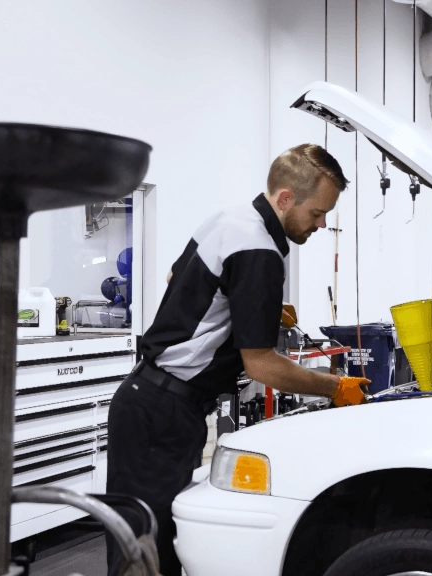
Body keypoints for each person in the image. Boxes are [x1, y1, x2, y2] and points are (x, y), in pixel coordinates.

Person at [105, 144, 369, 575]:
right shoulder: (260, 250)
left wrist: (244, 307)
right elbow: (260, 365)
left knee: (147, 542)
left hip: (151, 402)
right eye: (318, 213)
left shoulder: (227, 219)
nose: (321, 224)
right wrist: (333, 385)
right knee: (144, 552)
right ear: (286, 199)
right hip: (163, 411)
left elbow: (178, 276)